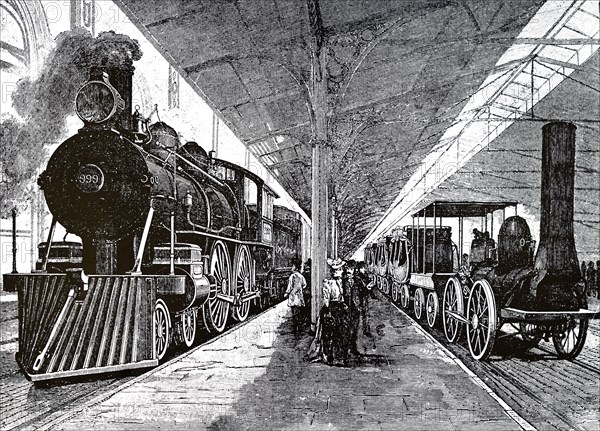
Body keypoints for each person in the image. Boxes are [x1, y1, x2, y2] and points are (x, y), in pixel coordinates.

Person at [307, 258, 349, 365]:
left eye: (340, 269)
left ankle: (338, 357)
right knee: (328, 334)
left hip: (340, 308)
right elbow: (326, 300)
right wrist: (328, 310)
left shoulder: (341, 282)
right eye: (338, 269)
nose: (340, 271)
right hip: (331, 309)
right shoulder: (328, 283)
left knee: (340, 333)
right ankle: (328, 356)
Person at [284, 259, 306, 334]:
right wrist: (300, 289)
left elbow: (289, 287)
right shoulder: (301, 276)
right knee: (298, 313)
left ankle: (295, 329)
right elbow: (304, 284)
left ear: (295, 267)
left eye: (293, 266)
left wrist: (286, 293)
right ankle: (299, 328)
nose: (291, 267)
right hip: (299, 297)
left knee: (294, 314)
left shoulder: (292, 277)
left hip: (293, 297)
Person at [354, 262, 374, 338]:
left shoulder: (364, 276)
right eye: (363, 268)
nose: (364, 269)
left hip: (364, 297)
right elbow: (359, 289)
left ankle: (366, 330)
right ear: (360, 269)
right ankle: (360, 332)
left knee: (366, 315)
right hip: (360, 298)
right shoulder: (358, 278)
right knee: (360, 315)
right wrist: (367, 288)